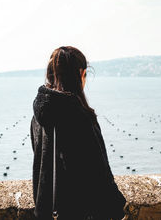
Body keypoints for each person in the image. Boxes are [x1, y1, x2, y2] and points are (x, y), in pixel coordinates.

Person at [30, 46, 127, 220]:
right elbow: (97, 174)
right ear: (81, 74)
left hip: (47, 212)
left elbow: (41, 165)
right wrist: (117, 208)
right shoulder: (78, 116)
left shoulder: (38, 116)